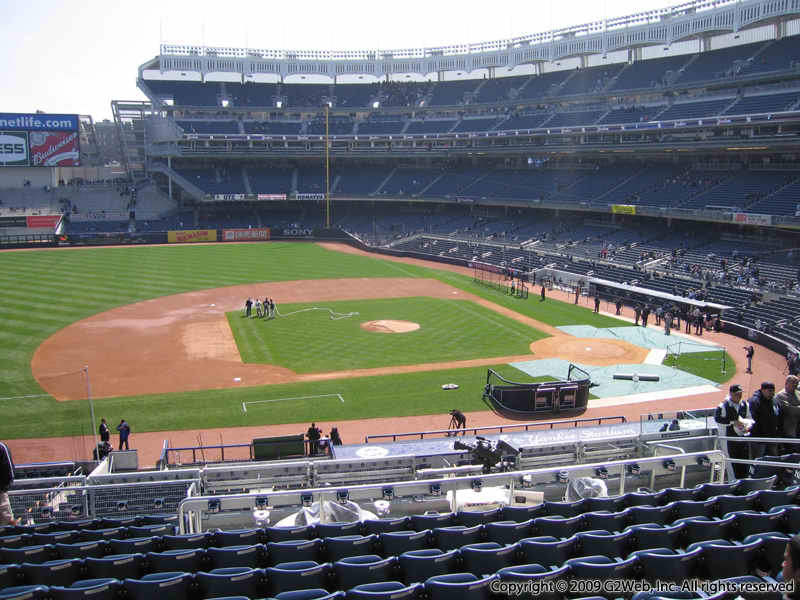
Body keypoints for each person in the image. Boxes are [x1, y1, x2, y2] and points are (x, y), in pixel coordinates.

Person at [715, 384, 752, 480]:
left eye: (740, 394)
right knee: (731, 462)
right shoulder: (723, 406)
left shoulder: (745, 404)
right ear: (731, 393)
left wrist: (747, 425)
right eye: (737, 394)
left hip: (742, 438)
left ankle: (744, 482)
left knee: (744, 461)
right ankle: (733, 484)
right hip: (728, 440)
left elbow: (749, 418)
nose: (739, 396)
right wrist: (733, 422)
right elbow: (718, 419)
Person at [749, 382, 779, 459]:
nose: (772, 393)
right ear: (763, 390)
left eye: (773, 391)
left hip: (772, 437)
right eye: (770, 391)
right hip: (759, 438)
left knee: (774, 460)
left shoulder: (773, 400)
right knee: (759, 461)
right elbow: (754, 419)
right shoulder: (755, 401)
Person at [777, 375, 800, 446]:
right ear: (786, 383)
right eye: (793, 382)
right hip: (788, 429)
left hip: (798, 427)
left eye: (797, 383)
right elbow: (790, 409)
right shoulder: (780, 395)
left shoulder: (798, 393)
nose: (796, 385)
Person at [0, 441, 16, 525]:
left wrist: (2, 488)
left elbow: (10, 473)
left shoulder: (1, 447)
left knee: (7, 523)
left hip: (0, 494)